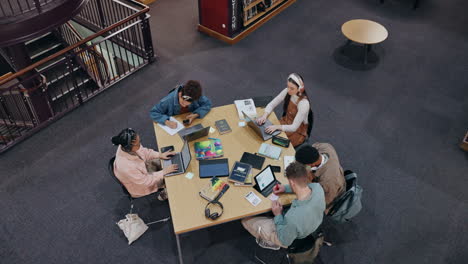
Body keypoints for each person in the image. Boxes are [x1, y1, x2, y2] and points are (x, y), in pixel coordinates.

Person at [241, 161, 325, 257]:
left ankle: (271, 242)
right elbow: (304, 186)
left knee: (245, 220)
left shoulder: (293, 217)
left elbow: (284, 240)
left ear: (292, 182)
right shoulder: (318, 188)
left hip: (289, 237)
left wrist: (278, 215)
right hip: (313, 224)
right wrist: (285, 188)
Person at [111, 128, 179, 200]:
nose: (140, 145)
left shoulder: (125, 145)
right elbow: (145, 181)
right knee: (171, 179)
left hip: (141, 169)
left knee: (165, 163)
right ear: (131, 145)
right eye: (138, 143)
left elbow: (145, 152)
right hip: (140, 184)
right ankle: (165, 193)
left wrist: (160, 155)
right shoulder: (126, 167)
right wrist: (164, 172)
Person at [256, 73, 312, 147]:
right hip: (285, 123)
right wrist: (264, 116)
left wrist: (276, 127)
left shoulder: (304, 104)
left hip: (296, 132)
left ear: (300, 89)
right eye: (288, 86)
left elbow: (294, 127)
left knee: (272, 143)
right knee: (264, 135)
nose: (288, 90)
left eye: (292, 88)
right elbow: (271, 104)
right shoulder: (287, 91)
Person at [295, 143, 346, 214]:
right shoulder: (324, 147)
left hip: (329, 196)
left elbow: (325, 201)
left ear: (312, 164)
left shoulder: (328, 181)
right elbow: (313, 147)